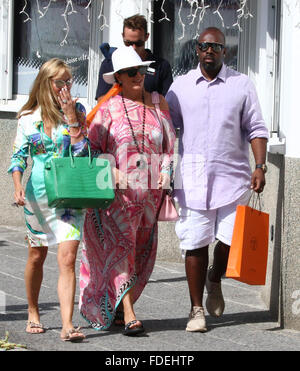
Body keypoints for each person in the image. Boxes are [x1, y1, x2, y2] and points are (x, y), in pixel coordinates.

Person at [166, 27, 269, 332]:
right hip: (193, 178)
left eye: (215, 46)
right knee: (195, 243)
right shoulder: (180, 87)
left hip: (232, 178)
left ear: (225, 51)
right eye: (203, 46)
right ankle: (196, 309)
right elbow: (166, 129)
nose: (209, 51)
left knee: (227, 240)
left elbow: (256, 128)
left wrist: (260, 165)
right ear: (196, 51)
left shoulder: (242, 85)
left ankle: (215, 277)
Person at [79, 45, 176, 335]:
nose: (138, 76)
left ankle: (120, 306)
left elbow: (169, 148)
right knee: (123, 251)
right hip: (116, 200)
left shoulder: (158, 108)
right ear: (118, 77)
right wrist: (112, 170)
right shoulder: (107, 110)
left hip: (148, 200)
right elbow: (90, 151)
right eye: (131, 72)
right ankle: (131, 314)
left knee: (140, 254)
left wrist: (167, 172)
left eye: (142, 70)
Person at [8, 58, 88, 342]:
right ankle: (33, 311)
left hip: (70, 195)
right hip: (38, 195)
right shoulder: (29, 117)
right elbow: (18, 157)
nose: (66, 87)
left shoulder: (77, 111)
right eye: (60, 82)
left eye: (69, 81)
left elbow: (82, 152)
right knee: (36, 255)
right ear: (46, 83)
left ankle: (67, 325)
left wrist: (71, 118)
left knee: (67, 258)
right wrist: (17, 186)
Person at [95, 14, 173, 101]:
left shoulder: (161, 65)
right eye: (128, 43)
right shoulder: (110, 63)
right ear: (123, 36)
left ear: (146, 37)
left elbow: (167, 102)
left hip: (149, 112)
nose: (133, 48)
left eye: (138, 43)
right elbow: (101, 103)